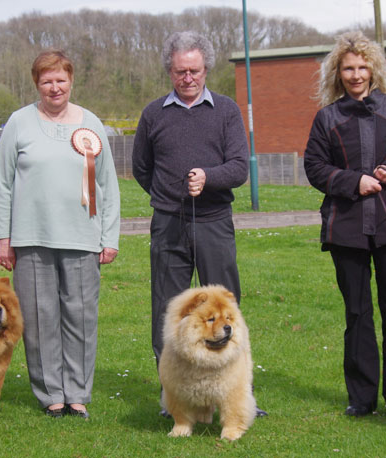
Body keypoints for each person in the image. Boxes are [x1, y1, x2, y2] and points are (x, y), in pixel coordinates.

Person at [132, 31, 265, 417]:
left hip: (214, 221)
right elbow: (142, 168)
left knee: (226, 309)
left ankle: (237, 395)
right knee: (169, 309)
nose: (187, 78)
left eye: (194, 70)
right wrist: (165, 195)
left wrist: (209, 177)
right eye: (179, 71)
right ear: (169, 71)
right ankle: (173, 398)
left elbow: (239, 166)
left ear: (205, 68)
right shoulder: (154, 113)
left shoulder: (225, 110)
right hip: (168, 223)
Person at [303, 31, 386, 419]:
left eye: (361, 67)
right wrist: (352, 182)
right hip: (347, 228)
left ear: (373, 69)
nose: (355, 75)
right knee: (356, 314)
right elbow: (314, 167)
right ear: (337, 73)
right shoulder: (327, 117)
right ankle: (361, 397)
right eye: (347, 68)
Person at [0, 50, 120, 419]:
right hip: (31, 239)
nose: (54, 87)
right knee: (38, 317)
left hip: (82, 237)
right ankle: (51, 394)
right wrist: (5, 237)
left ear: (71, 81)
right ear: (37, 84)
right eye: (46, 81)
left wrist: (109, 236)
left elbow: (108, 185)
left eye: (60, 80)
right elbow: (2, 183)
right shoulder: (19, 122)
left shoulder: (91, 123)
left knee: (80, 318)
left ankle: (77, 393)